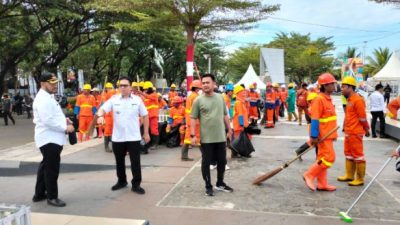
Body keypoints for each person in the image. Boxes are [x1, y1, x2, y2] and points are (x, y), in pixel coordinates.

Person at [97, 76, 150, 195]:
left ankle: (136, 184)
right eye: (120, 85)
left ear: (130, 87)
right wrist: (100, 116)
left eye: (125, 85)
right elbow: (102, 109)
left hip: (134, 137)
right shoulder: (114, 99)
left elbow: (145, 116)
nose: (122, 88)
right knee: (119, 161)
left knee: (135, 162)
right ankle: (121, 181)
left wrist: (146, 133)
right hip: (118, 137)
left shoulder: (137, 100)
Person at [32, 72, 75, 207]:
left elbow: (52, 116)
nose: (55, 85)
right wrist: (65, 127)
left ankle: (39, 194)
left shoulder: (47, 97)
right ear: (43, 84)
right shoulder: (43, 99)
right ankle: (52, 197)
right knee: (51, 169)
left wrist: (64, 119)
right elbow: (48, 120)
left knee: (45, 166)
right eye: (52, 83)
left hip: (51, 138)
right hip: (49, 139)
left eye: (55, 83)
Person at [190, 74, 233, 196]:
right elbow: (192, 118)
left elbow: (225, 115)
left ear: (214, 84)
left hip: (220, 136)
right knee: (206, 162)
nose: (205, 85)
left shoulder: (220, 98)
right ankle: (208, 186)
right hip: (206, 138)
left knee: (222, 161)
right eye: (203, 83)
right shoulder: (198, 100)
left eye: (207, 82)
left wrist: (229, 130)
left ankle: (220, 183)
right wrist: (193, 135)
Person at [303, 73, 338, 192]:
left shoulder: (328, 99)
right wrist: (313, 136)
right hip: (322, 136)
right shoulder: (319, 99)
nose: (334, 86)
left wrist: (333, 135)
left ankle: (322, 184)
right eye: (332, 84)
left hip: (329, 135)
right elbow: (315, 119)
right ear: (325, 85)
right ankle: (309, 174)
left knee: (322, 158)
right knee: (329, 158)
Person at [337, 76, 370, 186]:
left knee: (358, 155)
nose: (341, 89)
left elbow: (362, 118)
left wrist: (366, 129)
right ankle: (349, 175)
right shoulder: (349, 100)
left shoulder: (358, 100)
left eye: (344, 87)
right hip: (349, 132)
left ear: (351, 87)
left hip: (355, 132)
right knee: (348, 154)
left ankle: (360, 179)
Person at [181, 80, 202, 161]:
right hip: (194, 121)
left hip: (190, 120)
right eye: (199, 88)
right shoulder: (196, 97)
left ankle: (184, 156)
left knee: (187, 139)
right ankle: (206, 155)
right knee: (198, 138)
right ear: (197, 88)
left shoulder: (190, 96)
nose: (199, 89)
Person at [102, 82, 116, 152]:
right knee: (107, 131)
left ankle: (114, 146)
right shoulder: (104, 95)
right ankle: (106, 146)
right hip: (107, 115)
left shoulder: (114, 92)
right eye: (108, 88)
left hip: (113, 114)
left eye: (110, 88)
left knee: (113, 130)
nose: (109, 89)